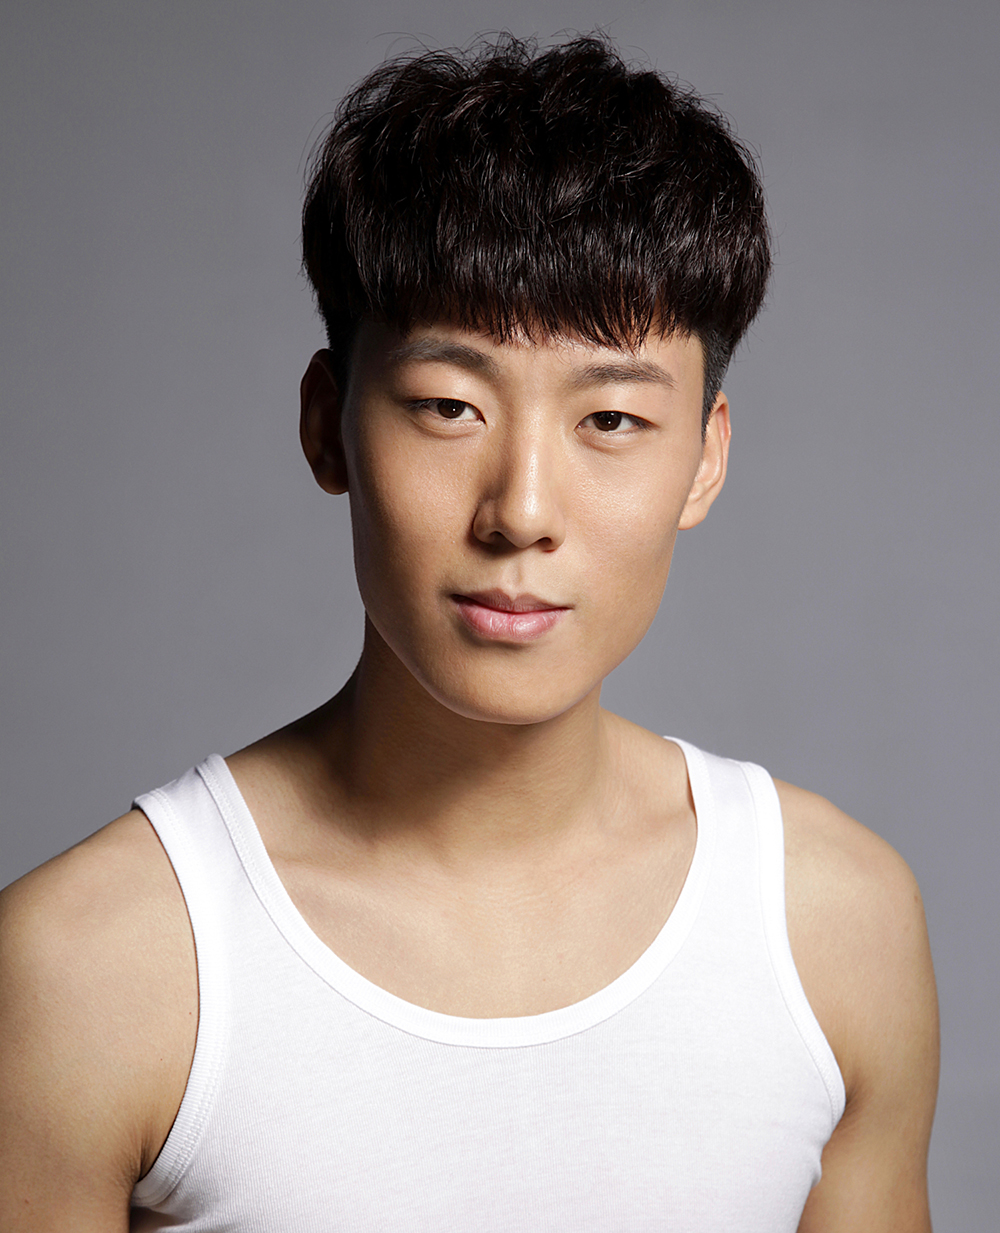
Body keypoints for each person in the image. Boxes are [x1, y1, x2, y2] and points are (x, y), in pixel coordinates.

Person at [0, 34, 938, 1232]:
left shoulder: (832, 922)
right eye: (449, 406)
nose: (521, 511)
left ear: (705, 460)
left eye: (610, 419)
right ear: (327, 425)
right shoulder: (95, 965)